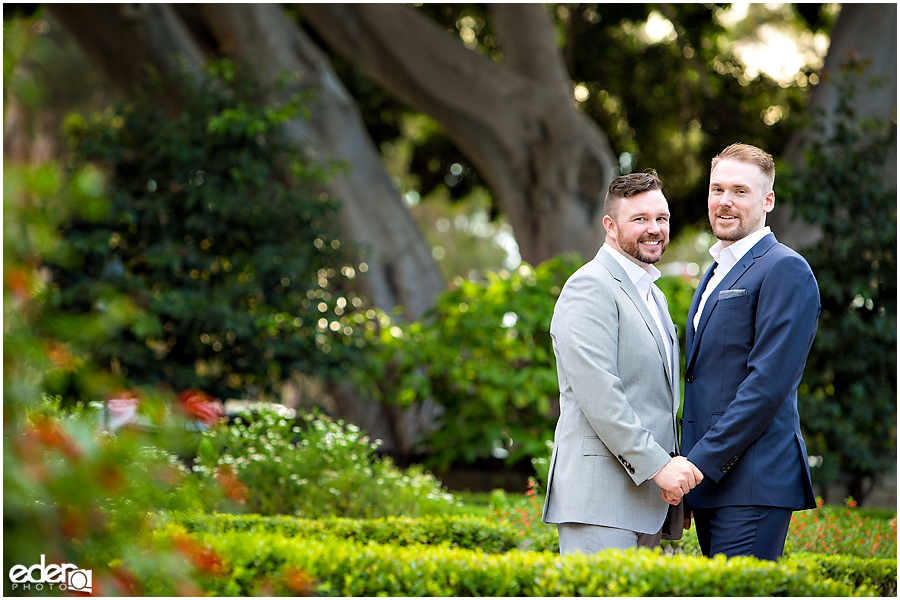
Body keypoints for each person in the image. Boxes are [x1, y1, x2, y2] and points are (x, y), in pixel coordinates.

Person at [541, 170, 703, 555]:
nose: (654, 229)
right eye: (640, 219)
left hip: (651, 503)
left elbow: (657, 401)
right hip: (600, 502)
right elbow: (601, 396)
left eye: (661, 218)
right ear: (610, 226)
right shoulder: (589, 286)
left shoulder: (655, 297)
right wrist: (660, 467)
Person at [678, 143, 820, 560]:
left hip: (753, 480)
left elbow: (767, 385)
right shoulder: (715, 270)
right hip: (714, 482)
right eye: (716, 189)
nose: (724, 202)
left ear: (767, 200)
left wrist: (697, 464)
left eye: (740, 191)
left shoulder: (784, 267)